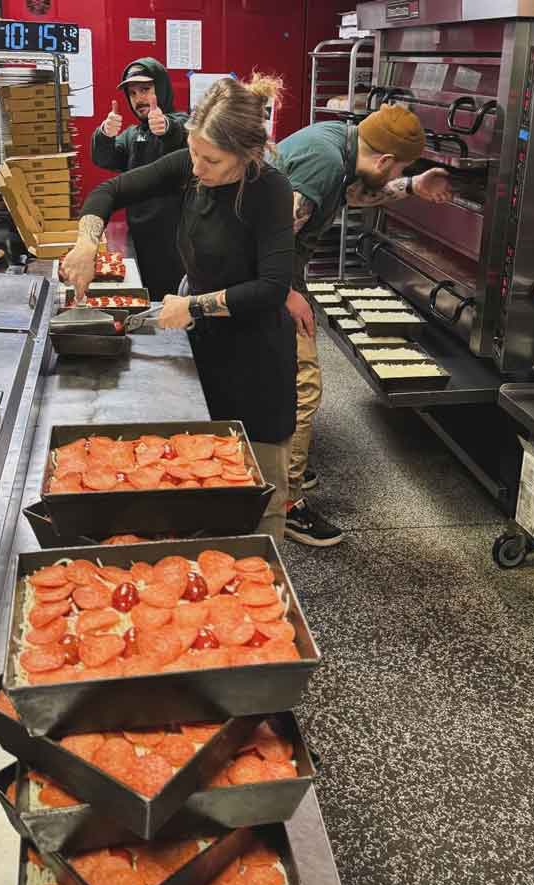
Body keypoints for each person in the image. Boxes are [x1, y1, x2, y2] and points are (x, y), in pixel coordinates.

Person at [63, 75, 297, 545]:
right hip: (204, 350)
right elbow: (109, 193)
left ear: (248, 154)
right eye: (193, 153)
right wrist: (87, 242)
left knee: (259, 490)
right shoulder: (193, 165)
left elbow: (271, 289)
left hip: (257, 363)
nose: (198, 166)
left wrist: (194, 305)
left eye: (211, 160)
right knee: (203, 479)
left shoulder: (269, 190)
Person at [276, 104, 453, 547]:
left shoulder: (339, 143)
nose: (401, 173)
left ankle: (277, 465)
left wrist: (413, 184)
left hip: (272, 276)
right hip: (268, 278)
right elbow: (272, 237)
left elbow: (355, 196)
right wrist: (286, 292)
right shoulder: (325, 161)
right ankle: (285, 503)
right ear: (384, 160)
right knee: (303, 386)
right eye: (403, 168)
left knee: (274, 379)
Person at [91, 57, 188, 301]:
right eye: (132, 93)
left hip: (177, 242)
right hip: (141, 239)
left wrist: (165, 127)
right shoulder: (133, 135)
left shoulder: (183, 122)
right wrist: (104, 134)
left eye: (145, 89)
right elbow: (105, 158)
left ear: (162, 88)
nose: (139, 98)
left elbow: (180, 134)